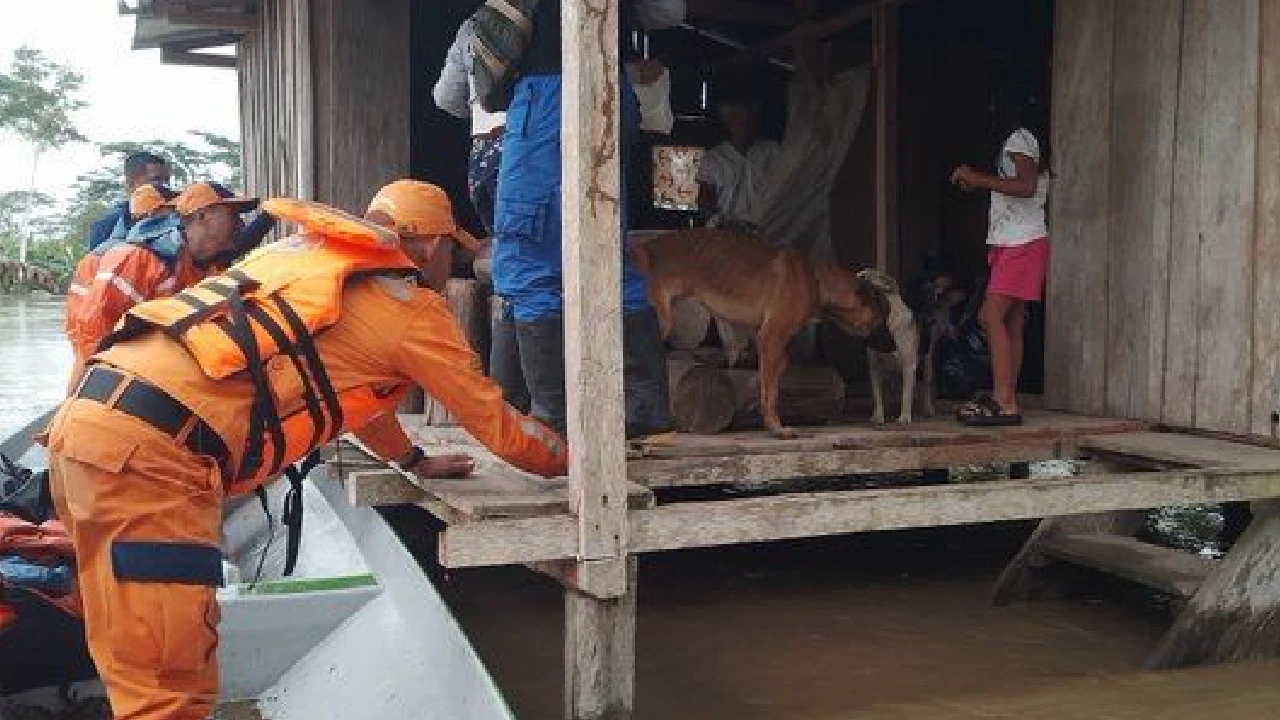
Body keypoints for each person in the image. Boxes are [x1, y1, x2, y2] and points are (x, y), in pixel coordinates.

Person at [45, 180, 566, 720]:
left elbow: (356, 398)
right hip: (152, 459)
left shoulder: (300, 256)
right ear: (432, 245)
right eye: (451, 248)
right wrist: (576, 460)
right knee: (167, 692)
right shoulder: (412, 309)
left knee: (125, 645)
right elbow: (501, 429)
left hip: (85, 425)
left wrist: (412, 459)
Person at [492, 0, 684, 439]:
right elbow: (670, 13)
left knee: (527, 254)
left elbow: (450, 95)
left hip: (549, 93)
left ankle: (549, 420)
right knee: (603, 249)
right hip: (609, 89)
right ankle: (643, 406)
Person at [63, 181, 267, 393]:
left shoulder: (203, 266)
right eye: (232, 215)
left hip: (151, 372)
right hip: (112, 376)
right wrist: (96, 391)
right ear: (202, 216)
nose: (240, 224)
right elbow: (93, 336)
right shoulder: (139, 260)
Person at [433, 18, 530, 411]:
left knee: (514, 272)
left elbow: (446, 98)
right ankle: (516, 401)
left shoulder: (475, 26)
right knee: (537, 273)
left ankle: (508, 402)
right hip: (531, 151)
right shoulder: (558, 18)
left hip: (487, 156)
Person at [949, 85, 1050, 427]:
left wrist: (977, 178)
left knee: (989, 316)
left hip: (1020, 243)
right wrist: (980, 182)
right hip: (1018, 242)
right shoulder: (1029, 139)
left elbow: (1027, 186)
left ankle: (1003, 400)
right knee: (1011, 321)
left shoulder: (1018, 140)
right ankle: (1007, 396)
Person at [697, 98, 780, 231]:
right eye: (734, 118)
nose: (741, 123)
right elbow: (704, 200)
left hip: (766, 231)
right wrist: (718, 220)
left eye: (744, 117)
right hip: (726, 232)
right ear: (726, 122)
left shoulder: (772, 151)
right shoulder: (712, 158)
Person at [87, 152, 171, 252]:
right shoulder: (108, 224)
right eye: (156, 179)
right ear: (130, 183)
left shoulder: (177, 214)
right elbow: (95, 263)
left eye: (167, 180)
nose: (164, 185)